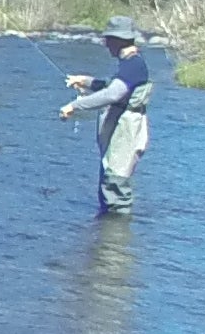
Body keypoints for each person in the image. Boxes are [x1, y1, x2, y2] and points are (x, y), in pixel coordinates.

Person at [58, 20, 156, 215]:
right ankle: (108, 230)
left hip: (126, 131)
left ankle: (115, 232)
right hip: (122, 128)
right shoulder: (131, 63)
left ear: (118, 40)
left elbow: (112, 94)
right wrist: (85, 81)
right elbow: (112, 86)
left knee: (115, 182)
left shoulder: (133, 65)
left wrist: (73, 106)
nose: (105, 44)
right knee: (110, 181)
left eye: (108, 40)